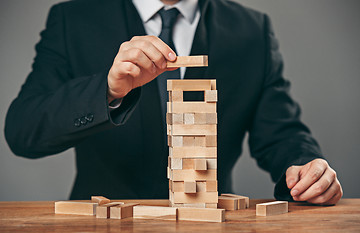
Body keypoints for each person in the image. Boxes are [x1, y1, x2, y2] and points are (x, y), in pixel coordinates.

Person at [4, 0, 343, 205]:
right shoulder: (73, 20)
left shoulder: (252, 29)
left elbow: (281, 133)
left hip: (210, 228)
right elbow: (23, 131)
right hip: (103, 229)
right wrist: (108, 90)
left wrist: (306, 167)